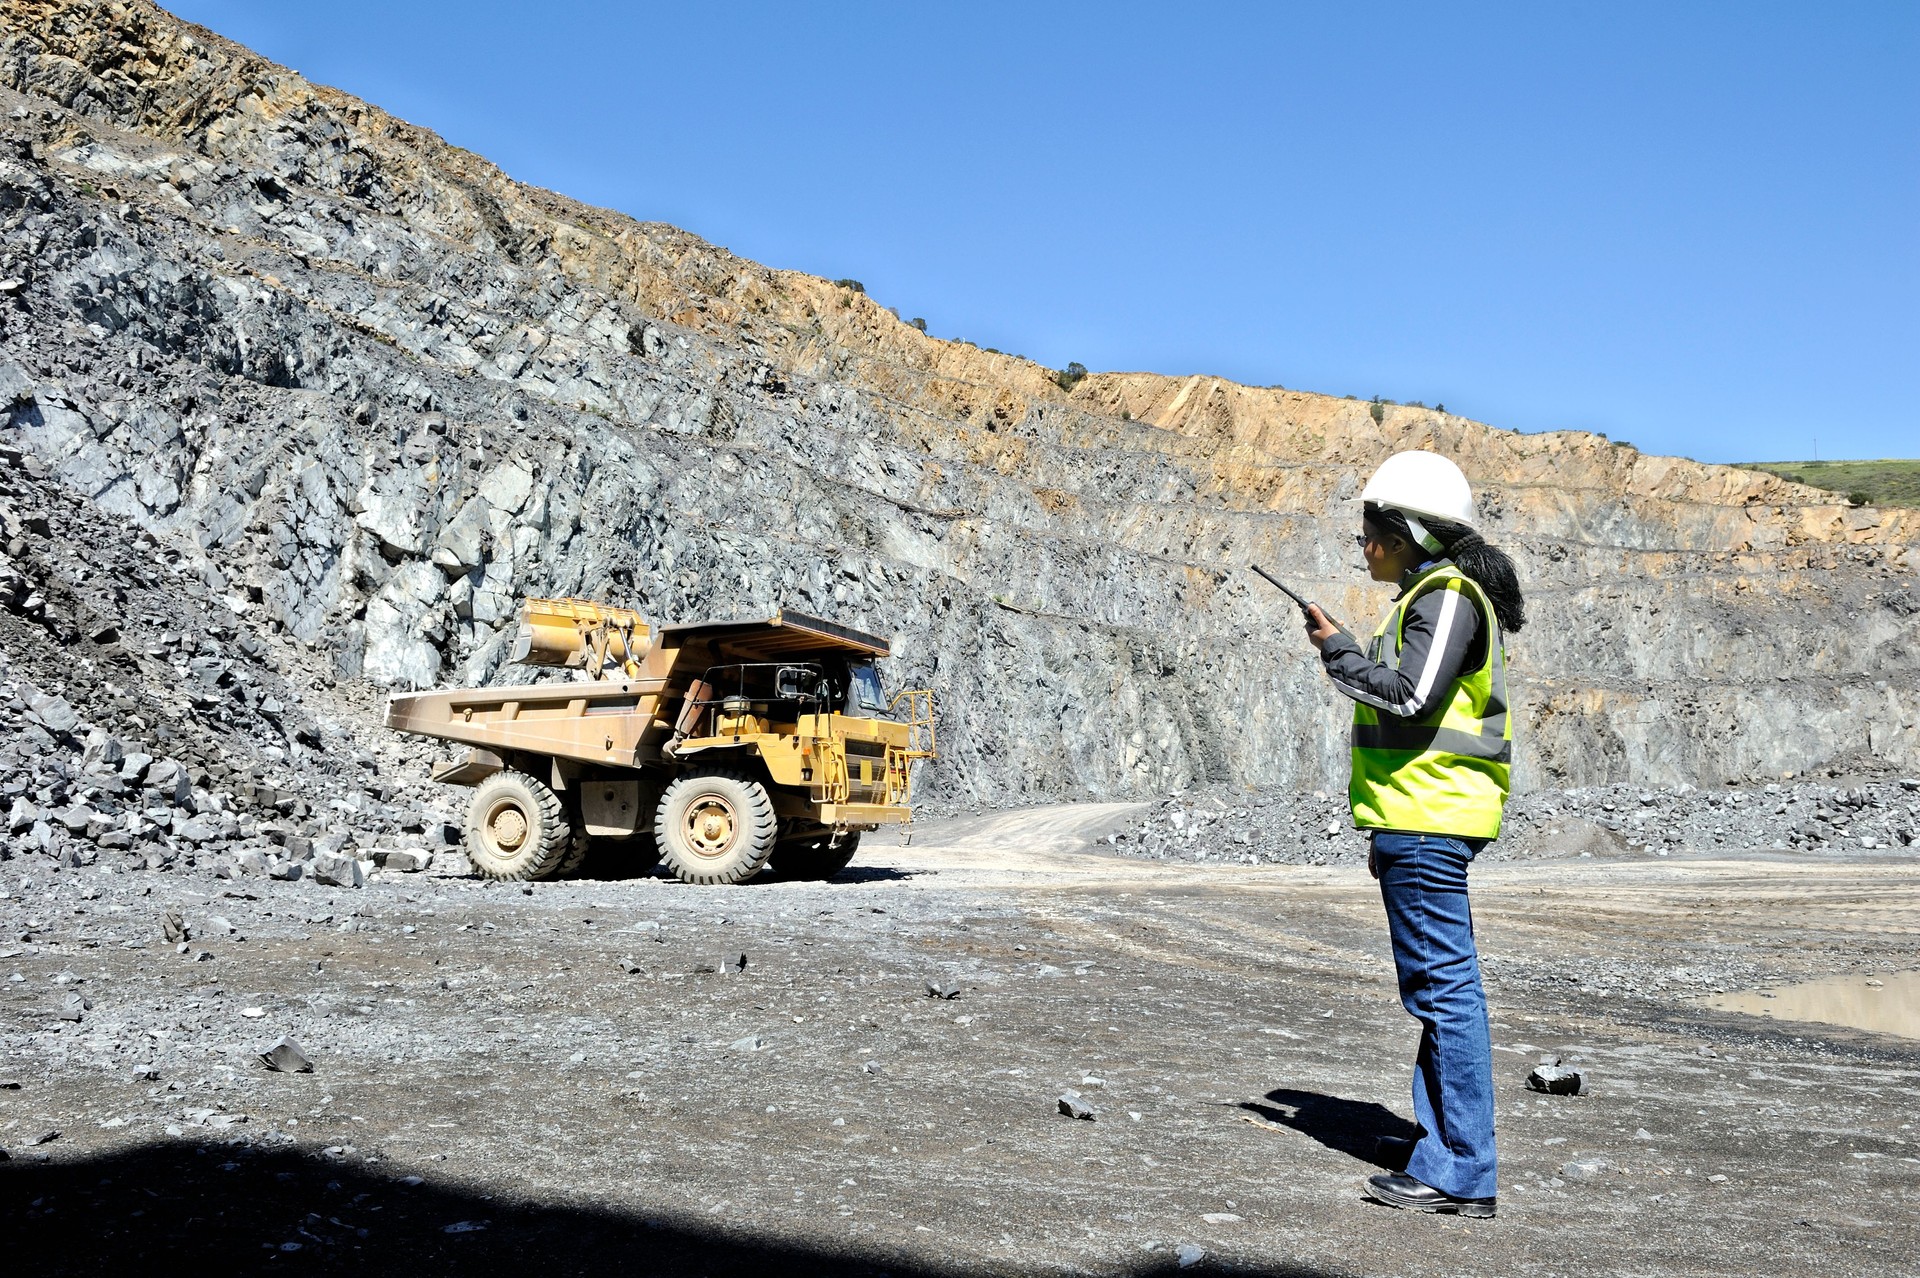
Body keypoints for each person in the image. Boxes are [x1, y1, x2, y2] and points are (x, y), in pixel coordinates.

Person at [1301, 449, 1525, 1219]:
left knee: (1446, 992)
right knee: (1437, 990)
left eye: (1368, 531)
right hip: (1417, 822)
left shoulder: (1449, 596)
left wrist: (1338, 653)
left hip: (1430, 822)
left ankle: (1462, 1168)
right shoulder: (1430, 596)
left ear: (1405, 531)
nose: (1361, 547)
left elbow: (1409, 696)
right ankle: (1447, 1153)